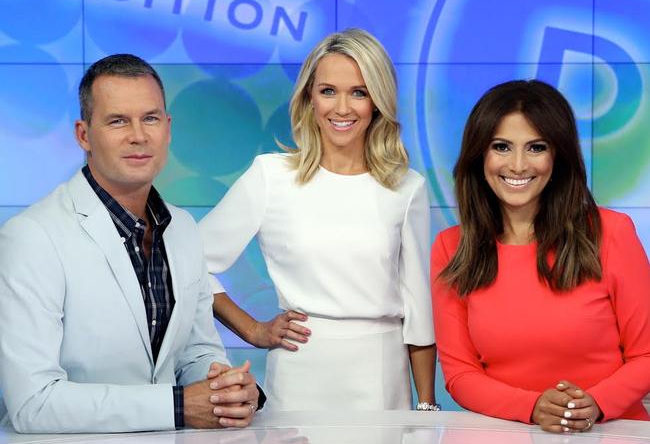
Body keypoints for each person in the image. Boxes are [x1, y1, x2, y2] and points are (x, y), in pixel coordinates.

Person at [0, 54, 260, 433]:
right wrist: (177, 407)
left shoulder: (183, 228)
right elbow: (33, 402)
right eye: (118, 120)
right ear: (83, 134)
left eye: (150, 118)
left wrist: (228, 388)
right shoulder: (32, 237)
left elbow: (195, 352)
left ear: (167, 128)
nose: (138, 135)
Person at [199, 28, 437, 410]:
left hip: (381, 380)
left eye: (358, 92)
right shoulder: (270, 176)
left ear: (377, 100)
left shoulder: (407, 187)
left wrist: (427, 409)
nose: (342, 108)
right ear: (310, 97)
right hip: (299, 376)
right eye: (328, 91)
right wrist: (253, 330)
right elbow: (191, 263)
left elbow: (418, 310)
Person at [430, 79, 650, 433]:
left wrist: (593, 404)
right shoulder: (451, 248)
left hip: (610, 432)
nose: (517, 165)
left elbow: (646, 355)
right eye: (501, 147)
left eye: (536, 147)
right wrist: (531, 407)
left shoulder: (612, 233)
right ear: (478, 155)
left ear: (558, 156)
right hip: (504, 433)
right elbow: (460, 375)